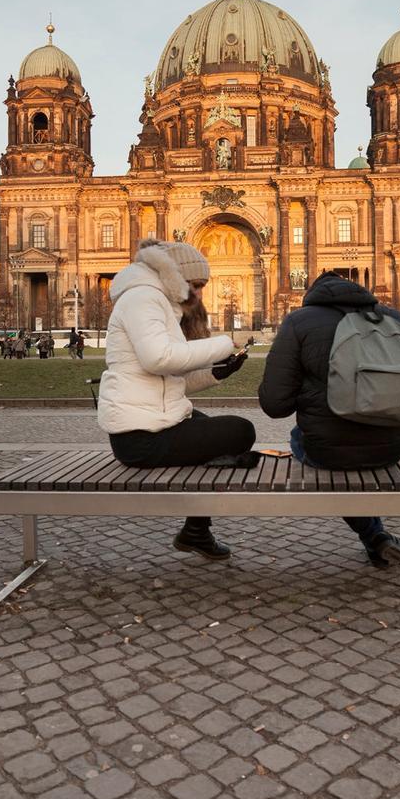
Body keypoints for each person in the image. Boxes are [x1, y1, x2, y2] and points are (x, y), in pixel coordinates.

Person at [259, 271, 400, 569]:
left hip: (324, 450)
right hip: (391, 448)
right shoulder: (397, 319)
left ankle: (374, 535)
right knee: (345, 445)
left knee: (311, 440)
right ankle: (375, 538)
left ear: (313, 294)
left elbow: (274, 405)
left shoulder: (299, 321)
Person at [97, 239, 256, 560]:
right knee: (241, 432)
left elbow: (168, 381)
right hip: (140, 437)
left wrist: (217, 372)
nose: (199, 294)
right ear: (176, 277)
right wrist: (224, 344)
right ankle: (196, 531)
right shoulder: (143, 298)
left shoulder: (155, 300)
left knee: (219, 438)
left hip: (155, 421)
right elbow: (159, 359)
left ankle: (196, 531)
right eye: (196, 285)